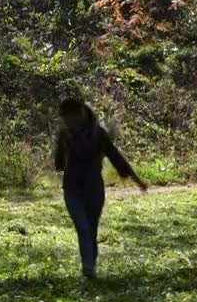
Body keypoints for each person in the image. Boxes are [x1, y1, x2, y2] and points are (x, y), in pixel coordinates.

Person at [54, 97, 147, 278]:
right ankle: (88, 266)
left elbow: (116, 157)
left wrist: (137, 180)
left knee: (91, 229)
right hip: (72, 190)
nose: (67, 122)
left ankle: (91, 265)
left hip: (93, 190)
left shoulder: (98, 134)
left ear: (80, 115)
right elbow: (58, 165)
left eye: (70, 118)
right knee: (83, 227)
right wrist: (63, 146)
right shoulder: (65, 135)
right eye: (64, 118)